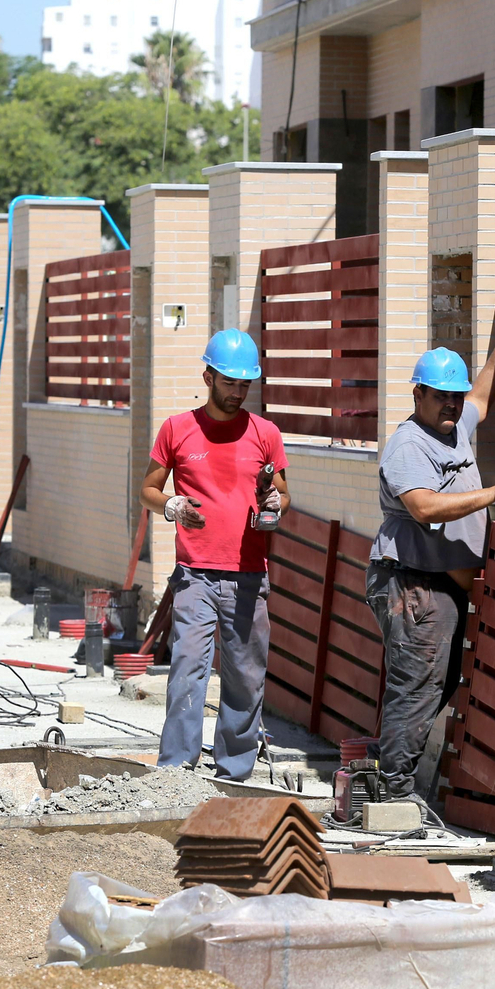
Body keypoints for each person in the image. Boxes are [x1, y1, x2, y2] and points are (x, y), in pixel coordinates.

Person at [367, 313, 495, 806]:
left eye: (454, 397)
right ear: (418, 394)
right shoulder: (408, 444)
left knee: (430, 685)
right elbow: (423, 506)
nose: (453, 405)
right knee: (416, 686)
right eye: (441, 396)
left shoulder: (456, 425)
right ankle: (393, 795)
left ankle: (389, 778)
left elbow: (482, 395)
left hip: (438, 587)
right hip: (412, 584)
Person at [140, 328, 289, 780]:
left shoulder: (265, 433)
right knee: (187, 670)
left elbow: (282, 494)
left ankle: (234, 773)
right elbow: (148, 488)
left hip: (248, 576)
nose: (238, 392)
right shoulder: (177, 430)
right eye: (230, 382)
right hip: (194, 577)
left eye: (245, 384)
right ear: (208, 376)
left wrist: (273, 508)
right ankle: (176, 772)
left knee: (245, 676)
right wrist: (172, 506)